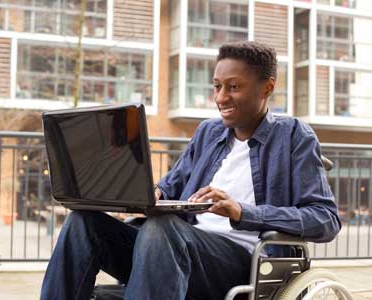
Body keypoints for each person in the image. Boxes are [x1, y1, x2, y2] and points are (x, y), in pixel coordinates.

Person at [40, 41, 341, 300]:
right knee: (84, 222)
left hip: (245, 262)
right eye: (217, 86)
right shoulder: (208, 133)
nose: (221, 97)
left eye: (234, 87)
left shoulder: (293, 136)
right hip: (172, 251)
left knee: (164, 228)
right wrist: (147, 194)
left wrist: (241, 212)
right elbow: (170, 185)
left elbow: (325, 219)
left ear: (268, 87)